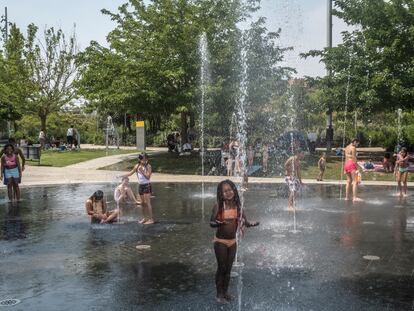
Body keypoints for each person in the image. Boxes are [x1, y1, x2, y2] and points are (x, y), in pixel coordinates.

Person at [210, 180, 259, 304]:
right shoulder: (219, 206)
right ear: (221, 194)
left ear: (234, 190)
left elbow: (244, 221)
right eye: (225, 191)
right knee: (222, 268)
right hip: (220, 241)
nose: (228, 192)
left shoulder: (238, 206)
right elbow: (211, 222)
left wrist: (250, 224)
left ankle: (225, 292)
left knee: (229, 269)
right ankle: (219, 295)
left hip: (233, 242)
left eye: (230, 189)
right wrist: (217, 223)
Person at [122, 153, 154, 224]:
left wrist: (142, 171)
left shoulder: (148, 166)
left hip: (147, 185)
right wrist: (121, 175)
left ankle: (151, 219)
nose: (145, 161)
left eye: (146, 160)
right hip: (141, 186)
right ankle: (145, 218)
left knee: (147, 203)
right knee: (142, 203)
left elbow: (148, 177)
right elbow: (130, 173)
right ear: (139, 159)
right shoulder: (137, 166)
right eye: (143, 160)